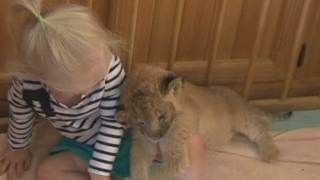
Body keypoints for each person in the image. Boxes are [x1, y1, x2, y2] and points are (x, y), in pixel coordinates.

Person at [0, 0, 204, 180]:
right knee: (47, 172)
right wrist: (18, 147)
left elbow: (112, 123)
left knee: (191, 143)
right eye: (82, 89)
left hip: (128, 139)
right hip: (83, 145)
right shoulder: (28, 85)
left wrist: (99, 171)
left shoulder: (109, 71)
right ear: (43, 79)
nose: (92, 91)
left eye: (98, 81)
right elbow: (20, 112)